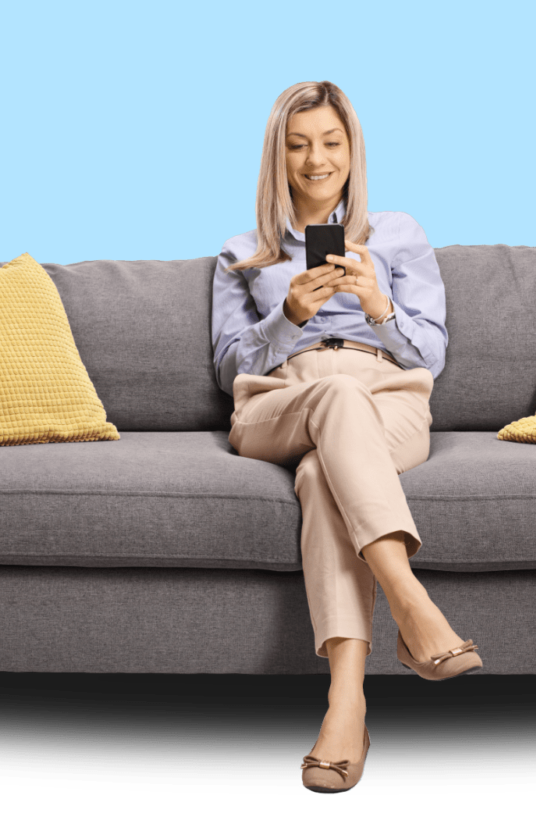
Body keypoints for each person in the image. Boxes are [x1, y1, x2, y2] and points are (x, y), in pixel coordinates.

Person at [211, 80, 482, 792]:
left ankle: (346, 707)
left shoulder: (398, 234)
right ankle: (412, 604)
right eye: (298, 145)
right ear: (278, 155)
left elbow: (431, 355)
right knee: (329, 394)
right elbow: (226, 368)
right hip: (281, 399)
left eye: (330, 143)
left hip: (386, 397)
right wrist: (286, 320)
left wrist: (378, 306)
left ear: (353, 150)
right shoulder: (242, 251)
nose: (315, 159)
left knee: (318, 478)